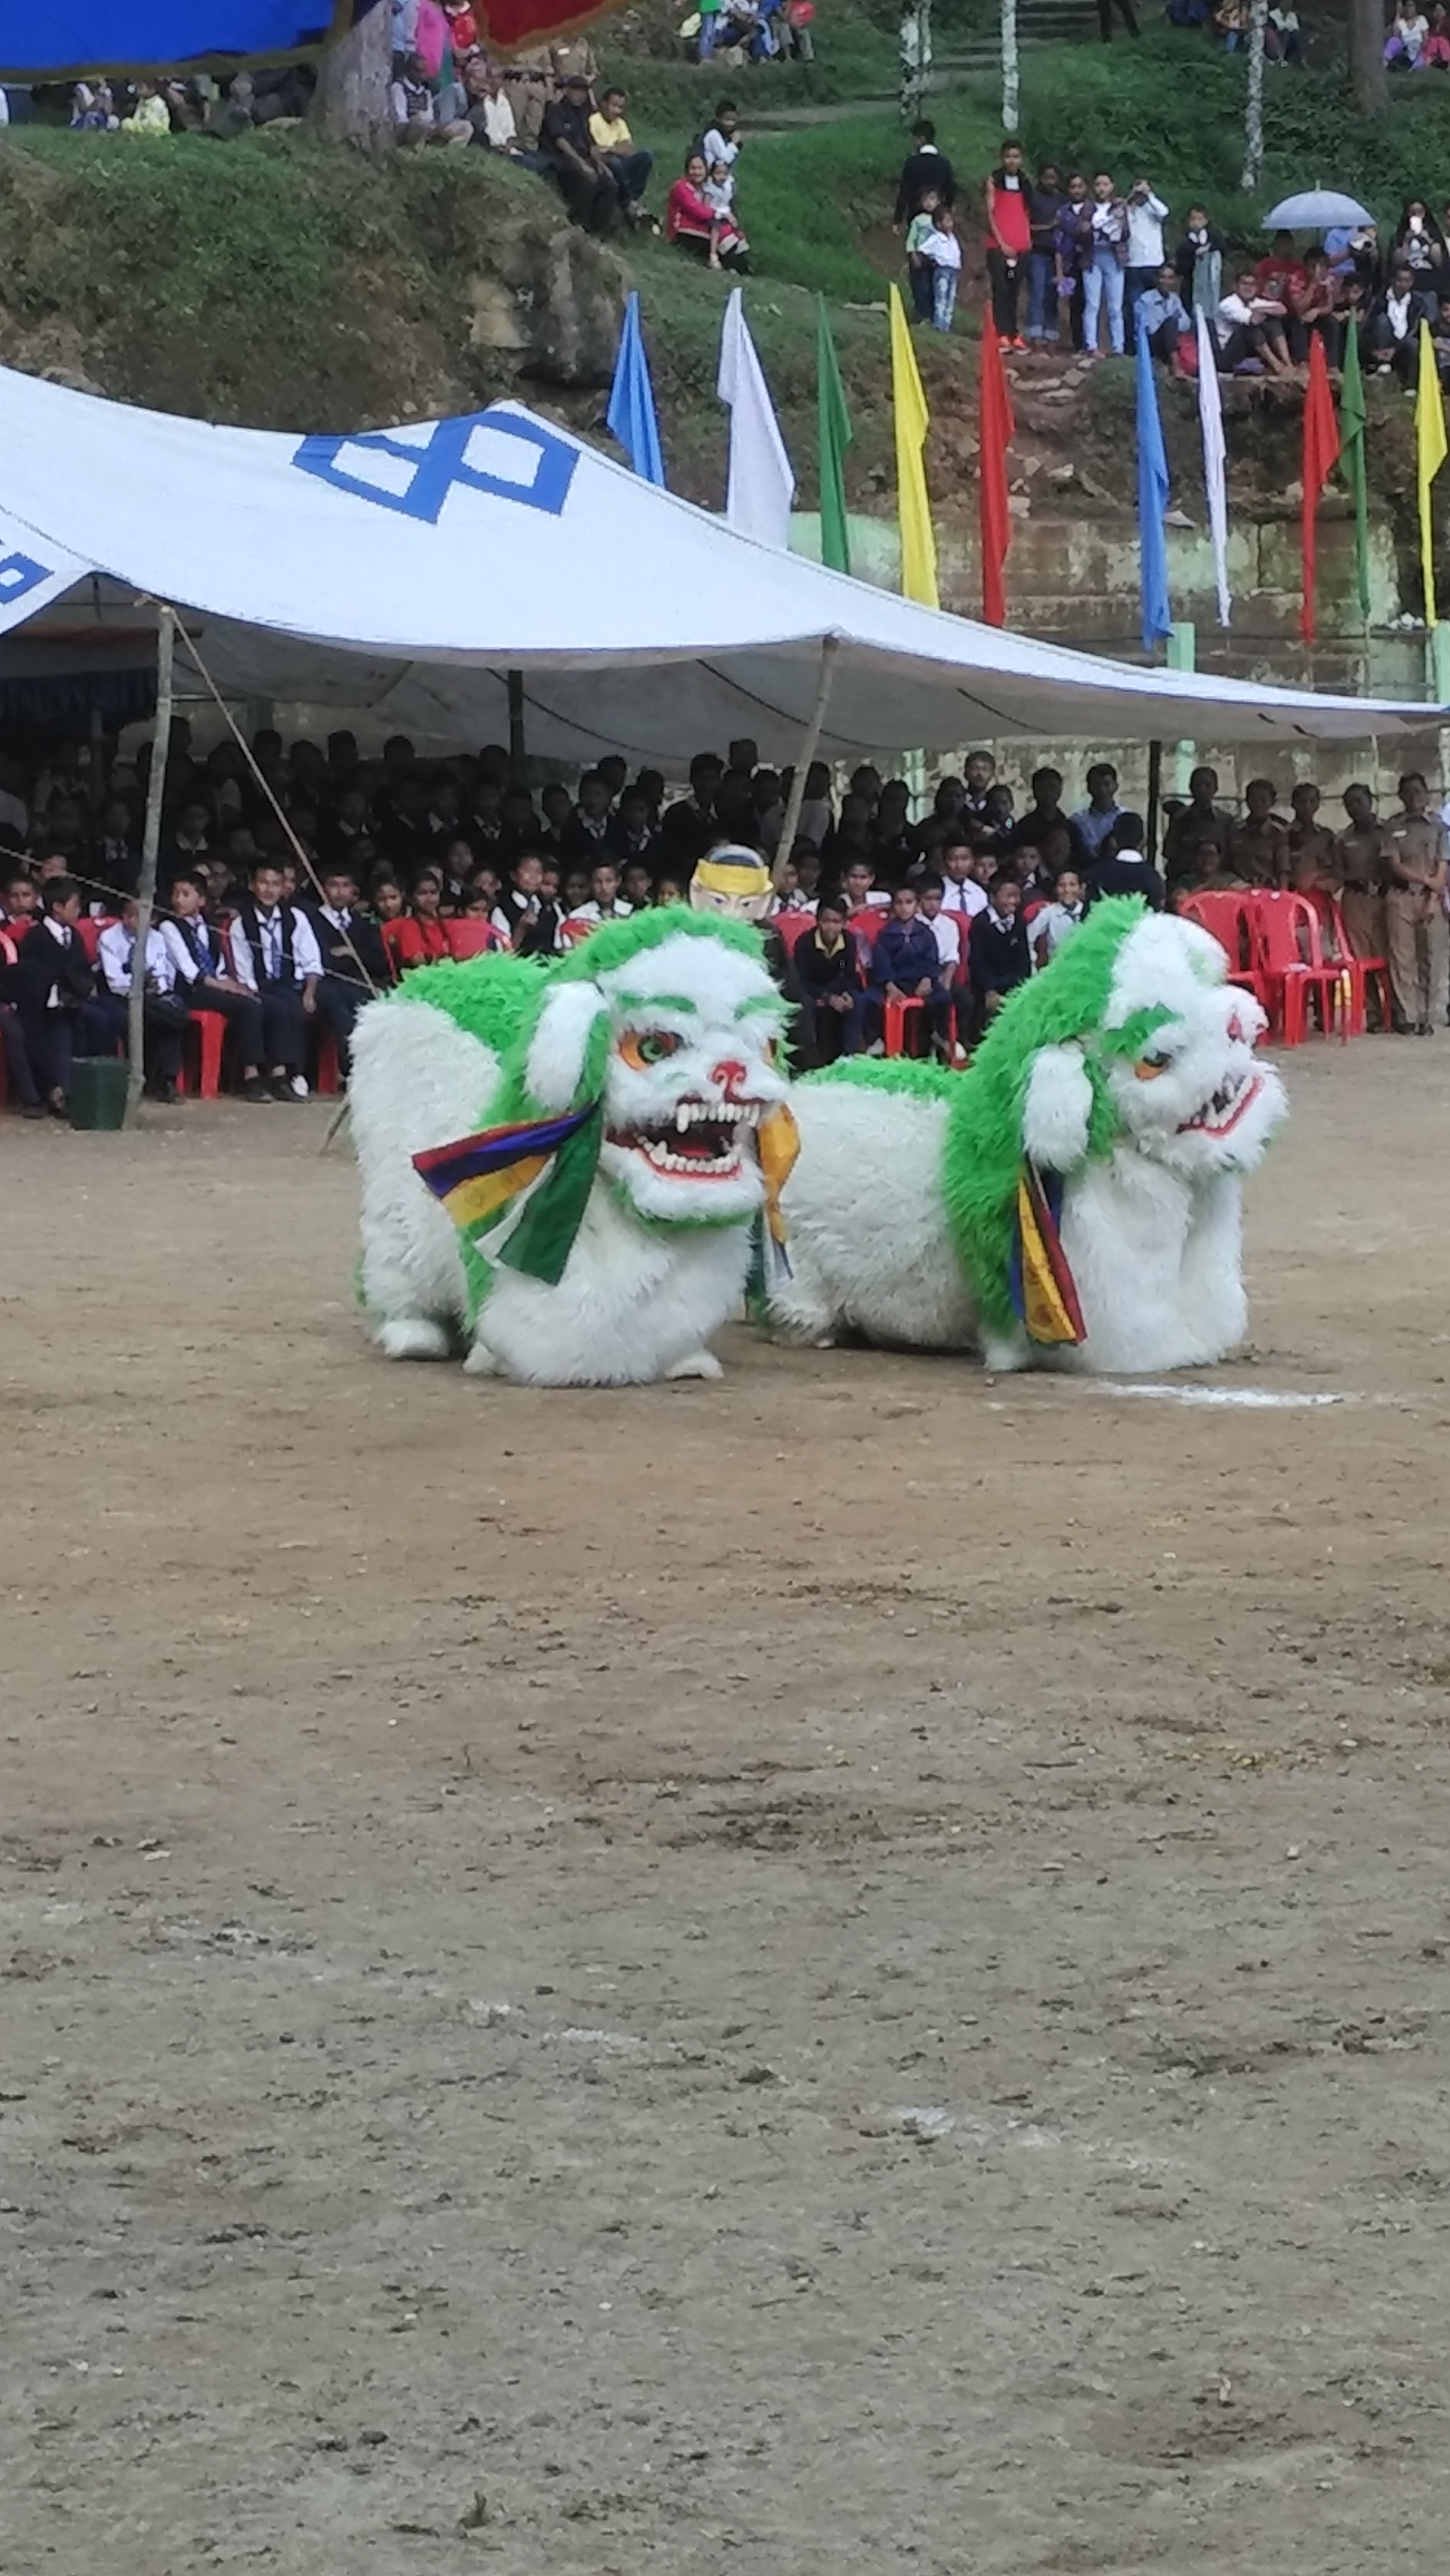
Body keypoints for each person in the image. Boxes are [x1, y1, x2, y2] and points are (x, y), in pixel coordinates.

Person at [162, 870, 270, 1095]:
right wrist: (224, 987)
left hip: (211, 986)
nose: (178, 900)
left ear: (201, 900)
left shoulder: (209, 927)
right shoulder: (169, 927)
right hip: (189, 990)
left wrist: (234, 985)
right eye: (176, 894)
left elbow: (219, 968)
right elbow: (190, 972)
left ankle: (244, 1072)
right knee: (247, 1007)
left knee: (254, 1000)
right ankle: (251, 1075)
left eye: (186, 894)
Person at [227, 859, 324, 1100]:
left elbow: (311, 959)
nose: (269, 890)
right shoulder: (241, 923)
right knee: (274, 1008)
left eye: (275, 884)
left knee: (293, 1005)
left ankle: (287, 1074)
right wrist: (253, 992)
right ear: (252, 886)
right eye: (263, 883)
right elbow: (243, 967)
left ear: (284, 888)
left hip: (289, 983)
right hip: (258, 985)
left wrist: (309, 992)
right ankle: (277, 1075)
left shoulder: (296, 918)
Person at [14, 877, 102, 1114]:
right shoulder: (36, 937)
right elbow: (29, 977)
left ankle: (88, 1082)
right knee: (59, 1031)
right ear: (57, 907)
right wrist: (56, 990)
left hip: (73, 1001)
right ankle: (59, 1091)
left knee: (104, 1020)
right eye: (74, 905)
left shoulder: (74, 936)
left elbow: (82, 969)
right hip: (40, 1007)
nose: (78, 911)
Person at [97, 900, 190, 1101]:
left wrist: (155, 985)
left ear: (152, 920)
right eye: (128, 915)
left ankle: (166, 1079)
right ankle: (156, 1079)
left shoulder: (157, 939)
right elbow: (115, 981)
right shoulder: (109, 938)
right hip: (121, 996)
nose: (130, 920)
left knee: (167, 1014)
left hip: (152, 996)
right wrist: (139, 982)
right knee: (170, 1017)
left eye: (137, 916)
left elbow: (163, 974)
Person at [852, 882, 953, 1056]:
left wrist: (928, 979)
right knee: (866, 1000)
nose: (904, 907)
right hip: (894, 982)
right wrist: (889, 985)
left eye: (909, 902)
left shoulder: (926, 933)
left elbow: (932, 960)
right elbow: (881, 963)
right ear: (893, 906)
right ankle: (876, 1040)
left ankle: (938, 1034)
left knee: (943, 998)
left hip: (919, 982)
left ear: (917, 905)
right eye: (899, 903)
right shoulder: (885, 934)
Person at [1383, 773, 1449, 1032]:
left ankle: (1427, 1016)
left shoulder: (1438, 827)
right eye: (1408, 792)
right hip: (1401, 897)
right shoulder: (1393, 826)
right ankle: (1408, 1016)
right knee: (1403, 958)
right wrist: (1426, 879)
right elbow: (1395, 864)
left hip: (1430, 898)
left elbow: (1443, 864)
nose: (1414, 797)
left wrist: (1433, 894)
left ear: (1427, 794)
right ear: (1400, 795)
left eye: (1418, 791)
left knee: (1431, 957)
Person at [307, 866, 389, 1074]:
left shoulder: (364, 924)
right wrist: (355, 958)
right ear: (322, 889)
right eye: (333, 885)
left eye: (345, 886)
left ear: (354, 891)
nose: (340, 892)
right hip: (327, 984)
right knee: (340, 1007)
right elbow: (323, 961)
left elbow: (380, 962)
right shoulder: (311, 922)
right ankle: (353, 1067)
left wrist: (352, 952)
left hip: (359, 983)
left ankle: (383, 1065)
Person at [541, 74, 619, 236]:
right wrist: (582, 164)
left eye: (583, 92)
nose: (580, 96)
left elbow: (590, 142)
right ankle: (580, 224)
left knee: (610, 185)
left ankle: (598, 231)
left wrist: (600, 165)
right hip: (563, 159)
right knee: (587, 182)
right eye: (577, 91)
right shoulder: (556, 110)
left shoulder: (583, 114)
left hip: (584, 157)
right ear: (567, 91)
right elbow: (560, 141)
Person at [792, 893, 860, 1066]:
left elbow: (849, 973)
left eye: (836, 922)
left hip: (836, 987)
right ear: (817, 921)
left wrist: (846, 993)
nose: (831, 927)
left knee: (858, 1001)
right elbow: (802, 980)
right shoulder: (805, 942)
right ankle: (811, 1059)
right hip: (811, 989)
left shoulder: (849, 940)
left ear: (844, 923)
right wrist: (827, 997)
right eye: (826, 921)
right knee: (806, 1005)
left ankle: (850, 1056)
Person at [966, 875, 1032, 1037]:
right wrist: (989, 989)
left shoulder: (1019, 921)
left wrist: (1021, 987)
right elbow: (977, 962)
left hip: (1011, 980)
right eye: (1008, 896)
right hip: (987, 983)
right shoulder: (981, 923)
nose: (1013, 901)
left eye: (1016, 896)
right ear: (993, 897)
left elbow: (1023, 959)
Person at [984, 140, 1032, 351]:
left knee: (1015, 291)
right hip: (998, 244)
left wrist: (1027, 241)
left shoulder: (1025, 183)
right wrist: (1002, 243)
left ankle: (1014, 332)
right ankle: (1001, 332)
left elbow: (1027, 214)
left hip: (1022, 244)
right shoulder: (994, 181)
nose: (1012, 161)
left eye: (1016, 157)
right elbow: (990, 214)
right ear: (1002, 159)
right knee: (1001, 288)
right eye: (1008, 157)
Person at [1335, 784, 1391, 965]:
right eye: (1349, 804)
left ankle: (1388, 986)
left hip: (1384, 896)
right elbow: (1338, 871)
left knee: (1387, 950)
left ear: (1371, 801)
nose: (1354, 807)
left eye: (1359, 801)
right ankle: (1367, 986)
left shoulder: (1388, 831)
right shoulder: (1343, 838)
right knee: (1360, 954)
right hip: (1356, 898)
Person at [666, 152, 749, 270]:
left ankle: (739, 268)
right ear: (687, 170)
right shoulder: (682, 186)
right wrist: (722, 215)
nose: (697, 172)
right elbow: (696, 210)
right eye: (693, 168)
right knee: (723, 233)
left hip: (699, 224)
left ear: (706, 170)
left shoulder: (705, 187)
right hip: (681, 230)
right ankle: (731, 266)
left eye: (700, 168)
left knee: (730, 232)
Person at [1214, 266, 1294, 375]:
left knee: (1273, 322)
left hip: (1249, 352)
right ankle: (1277, 366)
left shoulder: (1255, 301)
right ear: (1236, 287)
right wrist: (1264, 311)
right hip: (1228, 355)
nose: (1249, 288)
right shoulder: (1228, 304)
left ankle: (1288, 364)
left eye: (1252, 285)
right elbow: (1254, 320)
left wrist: (1259, 309)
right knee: (1249, 329)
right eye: (1245, 284)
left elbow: (1282, 309)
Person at [1082, 173, 1129, 358]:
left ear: (1112, 186)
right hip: (1093, 257)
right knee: (1092, 303)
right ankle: (1091, 345)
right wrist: (1085, 229)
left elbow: (1126, 234)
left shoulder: (1120, 207)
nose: (1102, 188)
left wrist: (1121, 220)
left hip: (1114, 257)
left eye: (1105, 184)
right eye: (1098, 184)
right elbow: (1081, 231)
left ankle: (1118, 347)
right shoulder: (1088, 207)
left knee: (1115, 306)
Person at [589, 86, 652, 221]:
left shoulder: (620, 123)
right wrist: (617, 149)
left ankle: (632, 197)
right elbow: (597, 149)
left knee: (646, 156)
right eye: (614, 106)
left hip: (619, 159)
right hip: (604, 162)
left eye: (621, 107)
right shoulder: (594, 120)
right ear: (604, 104)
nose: (617, 111)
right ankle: (627, 202)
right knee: (614, 162)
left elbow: (629, 148)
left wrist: (611, 149)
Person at [1367, 261, 1435, 384]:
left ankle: (1410, 383)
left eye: (1407, 281)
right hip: (1384, 341)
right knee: (1382, 320)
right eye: (1399, 280)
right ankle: (1381, 364)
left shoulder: (1418, 304)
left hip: (1405, 342)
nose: (1403, 284)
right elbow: (1369, 325)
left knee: (1413, 343)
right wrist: (1373, 349)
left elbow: (1415, 329)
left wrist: (1396, 349)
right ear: (1392, 280)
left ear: (1412, 282)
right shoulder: (1379, 300)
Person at [1124, 177, 1170, 346]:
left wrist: (1149, 195)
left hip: (1154, 264)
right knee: (1134, 305)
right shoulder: (1128, 210)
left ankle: (1155, 343)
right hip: (1134, 264)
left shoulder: (1154, 209)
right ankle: (1134, 344)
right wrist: (1132, 196)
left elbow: (1164, 212)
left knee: (1155, 305)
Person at [1086, 812, 1165, 908]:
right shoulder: (1153, 877)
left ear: (1113, 841)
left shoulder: (1097, 873)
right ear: (1143, 841)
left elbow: (1089, 912)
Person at [1025, 162, 1066, 345]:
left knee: (1052, 295)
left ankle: (1051, 332)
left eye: (1053, 178)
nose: (1050, 182)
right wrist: (1048, 226)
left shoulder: (1061, 200)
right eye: (1047, 178)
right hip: (1036, 251)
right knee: (1037, 292)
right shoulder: (1032, 197)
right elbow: (1025, 225)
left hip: (1056, 254)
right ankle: (1035, 332)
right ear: (1040, 178)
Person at [494, 851, 562, 956]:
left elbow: (560, 945)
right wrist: (521, 929)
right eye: (527, 871)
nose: (533, 877)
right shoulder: (502, 910)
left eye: (538, 872)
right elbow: (502, 955)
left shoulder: (552, 907)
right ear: (514, 875)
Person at [893, 119, 955, 228]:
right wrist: (946, 212)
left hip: (915, 220)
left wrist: (898, 220)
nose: (913, 142)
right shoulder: (945, 164)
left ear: (921, 139)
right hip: (938, 220)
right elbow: (950, 193)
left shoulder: (912, 163)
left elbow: (904, 193)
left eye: (915, 139)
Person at [1228, 780, 1288, 887]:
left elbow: (1283, 872)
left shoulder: (1278, 834)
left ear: (1272, 802)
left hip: (1267, 891)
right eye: (1253, 799)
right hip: (1237, 890)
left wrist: (1283, 894)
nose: (1258, 804)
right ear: (1247, 801)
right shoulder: (1235, 831)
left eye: (1263, 799)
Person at [1133, 263, 1192, 367]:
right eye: (1163, 278)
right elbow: (1149, 329)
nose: (1166, 281)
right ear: (1157, 280)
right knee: (1170, 323)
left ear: (1174, 281)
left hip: (1172, 339)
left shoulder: (1175, 299)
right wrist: (1170, 322)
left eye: (1170, 278)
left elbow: (1187, 323)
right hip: (1151, 343)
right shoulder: (1146, 300)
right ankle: (1175, 367)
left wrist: (1172, 324)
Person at [918, 203, 962, 332]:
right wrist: (933, 260)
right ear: (939, 224)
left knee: (951, 298)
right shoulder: (936, 238)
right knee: (941, 298)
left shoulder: (953, 238)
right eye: (947, 221)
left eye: (951, 220)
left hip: (954, 271)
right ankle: (939, 325)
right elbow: (923, 248)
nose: (951, 223)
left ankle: (947, 326)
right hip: (942, 270)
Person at [1175, 206, 1225, 319]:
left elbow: (1222, 249)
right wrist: (1195, 257)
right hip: (1191, 287)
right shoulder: (1185, 243)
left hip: (1211, 285)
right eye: (1193, 219)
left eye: (1200, 219)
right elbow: (1181, 268)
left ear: (1206, 221)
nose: (1196, 223)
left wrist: (1208, 248)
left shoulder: (1213, 238)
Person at [1032, 863, 1086, 964]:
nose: (1067, 890)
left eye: (1073, 885)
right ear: (1055, 889)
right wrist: (1033, 960)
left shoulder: (1089, 911)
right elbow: (1028, 938)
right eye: (1062, 885)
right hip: (1058, 966)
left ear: (1081, 888)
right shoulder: (1048, 913)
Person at [1070, 764, 1124, 858]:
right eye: (1097, 785)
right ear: (1088, 788)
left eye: (1107, 784)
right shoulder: (1077, 821)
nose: (1102, 790)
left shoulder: (1126, 818)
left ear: (1116, 786)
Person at [904, 187, 942, 321]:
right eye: (925, 199)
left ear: (938, 201)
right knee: (920, 285)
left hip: (936, 259)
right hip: (920, 257)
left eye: (932, 199)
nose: (929, 203)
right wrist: (913, 254)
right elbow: (911, 239)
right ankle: (921, 313)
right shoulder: (918, 220)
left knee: (934, 286)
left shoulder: (940, 221)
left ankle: (933, 315)